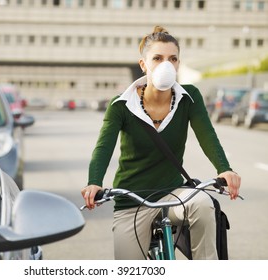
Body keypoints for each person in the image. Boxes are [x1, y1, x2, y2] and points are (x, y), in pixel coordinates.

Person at [81, 25, 241, 260]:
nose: (166, 64)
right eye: (157, 58)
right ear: (144, 64)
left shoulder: (190, 97)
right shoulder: (121, 105)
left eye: (172, 58)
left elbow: (207, 135)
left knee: (203, 204)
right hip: (131, 199)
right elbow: (103, 147)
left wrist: (224, 169)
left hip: (174, 194)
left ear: (178, 64)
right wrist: (94, 182)